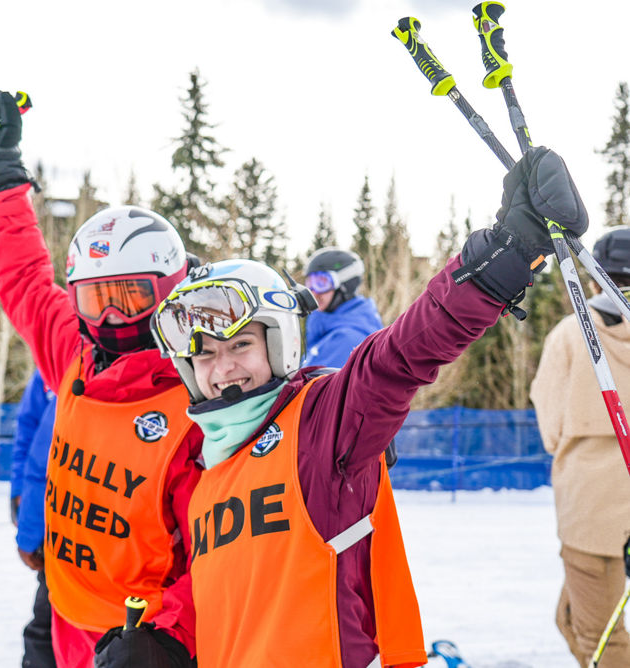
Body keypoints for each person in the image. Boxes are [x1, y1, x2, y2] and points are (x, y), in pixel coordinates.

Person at [122, 145, 586, 667]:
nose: (222, 368)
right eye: (203, 354)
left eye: (240, 345)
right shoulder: (207, 469)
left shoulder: (320, 426)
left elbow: (398, 358)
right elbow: (230, 588)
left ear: (279, 345)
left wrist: (505, 254)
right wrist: (165, 638)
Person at [0, 90, 202, 668]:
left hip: (141, 637)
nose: (111, 317)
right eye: (95, 299)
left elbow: (222, 551)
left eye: (130, 296)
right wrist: (0, 175)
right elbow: (22, 275)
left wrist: (170, 638)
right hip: (64, 609)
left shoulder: (204, 391)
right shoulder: (74, 352)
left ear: (170, 289)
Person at [530, 226, 630, 668]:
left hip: (590, 509)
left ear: (594, 277)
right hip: (602, 510)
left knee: (599, 636)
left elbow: (550, 425)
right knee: (570, 618)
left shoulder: (573, 333)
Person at [9, 368, 58, 668]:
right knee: (46, 631)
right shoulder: (49, 370)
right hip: (57, 529)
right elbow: (29, 438)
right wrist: (19, 496)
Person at [302, 247, 383, 368]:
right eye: (310, 284)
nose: (314, 292)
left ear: (345, 285)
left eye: (321, 283)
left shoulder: (347, 340)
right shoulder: (327, 329)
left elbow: (305, 385)